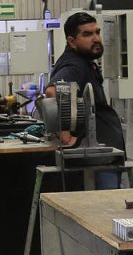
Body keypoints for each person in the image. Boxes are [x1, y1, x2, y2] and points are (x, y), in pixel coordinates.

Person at [46, 12, 125, 189]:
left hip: (103, 153)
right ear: (72, 41)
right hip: (97, 159)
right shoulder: (75, 65)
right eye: (87, 34)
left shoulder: (85, 61)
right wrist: (65, 134)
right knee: (106, 209)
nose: (96, 38)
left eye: (97, 32)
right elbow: (53, 91)